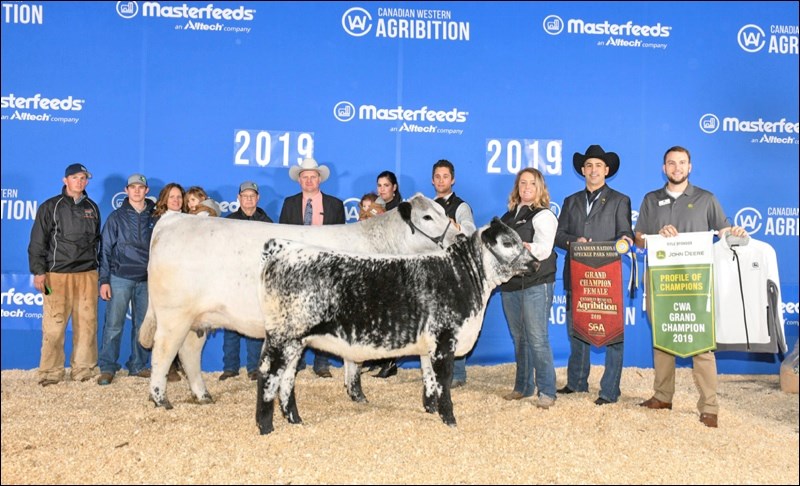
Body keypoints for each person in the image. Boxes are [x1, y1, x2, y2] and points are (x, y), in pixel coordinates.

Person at [634, 145, 748, 428]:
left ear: (690, 167)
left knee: (702, 343)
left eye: (681, 163)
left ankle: (709, 406)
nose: (676, 168)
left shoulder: (706, 198)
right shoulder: (651, 199)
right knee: (663, 338)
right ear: (664, 168)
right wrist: (654, 236)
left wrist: (734, 233)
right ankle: (662, 396)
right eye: (671, 163)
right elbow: (638, 239)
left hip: (697, 281)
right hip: (661, 279)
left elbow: (723, 232)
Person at [555, 145, 633, 405]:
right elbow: (558, 236)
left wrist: (623, 242)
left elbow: (626, 234)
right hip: (577, 275)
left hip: (606, 276)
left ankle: (610, 390)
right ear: (582, 170)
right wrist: (574, 241)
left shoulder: (620, 200)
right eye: (589, 165)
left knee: (612, 334)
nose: (593, 170)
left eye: (598, 165)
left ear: (607, 170)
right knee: (577, 329)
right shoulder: (570, 201)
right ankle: (577, 382)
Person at [28, 163, 102, 386]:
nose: (80, 181)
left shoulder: (93, 207)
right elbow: (37, 242)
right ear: (65, 180)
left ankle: (84, 369)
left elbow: (97, 242)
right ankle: (50, 371)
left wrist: (98, 273)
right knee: (54, 324)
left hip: (87, 274)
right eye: (75, 178)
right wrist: (39, 272)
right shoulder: (51, 206)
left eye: (84, 178)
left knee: (87, 324)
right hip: (56, 275)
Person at [279, 158, 345, 378]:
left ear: (320, 179)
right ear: (299, 180)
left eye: (313, 176)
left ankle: (322, 361)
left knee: (324, 314)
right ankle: (296, 360)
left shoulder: (335, 205)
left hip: (325, 268)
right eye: (305, 177)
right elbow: (283, 236)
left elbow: (340, 238)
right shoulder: (289, 203)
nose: (309, 180)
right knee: (296, 314)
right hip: (297, 267)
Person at [499, 168, 559, 408]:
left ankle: (547, 391)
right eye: (522, 183)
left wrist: (525, 247)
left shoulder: (543, 215)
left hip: (536, 282)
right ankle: (523, 387)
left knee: (537, 338)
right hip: (511, 284)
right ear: (517, 188)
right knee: (519, 338)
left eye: (532, 184)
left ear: (539, 188)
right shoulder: (507, 217)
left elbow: (544, 249)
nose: (526, 188)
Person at [96, 174, 156, 385]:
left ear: (147, 191)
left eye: (141, 187)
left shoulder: (155, 217)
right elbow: (105, 251)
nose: (137, 191)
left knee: (143, 326)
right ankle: (107, 367)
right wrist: (104, 280)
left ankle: (138, 365)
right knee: (113, 325)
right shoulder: (116, 217)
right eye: (133, 187)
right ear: (126, 190)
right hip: (119, 277)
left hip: (146, 279)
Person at [220, 181, 273, 381]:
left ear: (258, 198)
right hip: (233, 281)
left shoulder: (267, 222)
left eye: (252, 196)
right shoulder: (228, 221)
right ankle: (230, 368)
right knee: (230, 326)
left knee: (253, 326)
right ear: (239, 198)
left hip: (255, 281)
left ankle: (253, 368)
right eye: (245, 195)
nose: (249, 199)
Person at [431, 159, 476, 387]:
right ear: (432, 180)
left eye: (445, 176)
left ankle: (457, 374)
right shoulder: (428, 206)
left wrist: (452, 225)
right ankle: (436, 372)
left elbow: (470, 231)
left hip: (454, 273)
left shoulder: (460, 207)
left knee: (455, 324)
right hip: (432, 272)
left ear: (453, 179)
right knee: (434, 324)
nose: (441, 181)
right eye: (437, 177)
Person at [151, 182, 187, 382]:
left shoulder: (188, 221)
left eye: (179, 197)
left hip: (182, 280)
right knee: (164, 324)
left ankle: (179, 364)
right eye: (172, 197)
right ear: (164, 199)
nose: (176, 200)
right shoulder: (160, 223)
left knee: (181, 324)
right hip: (163, 278)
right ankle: (166, 368)